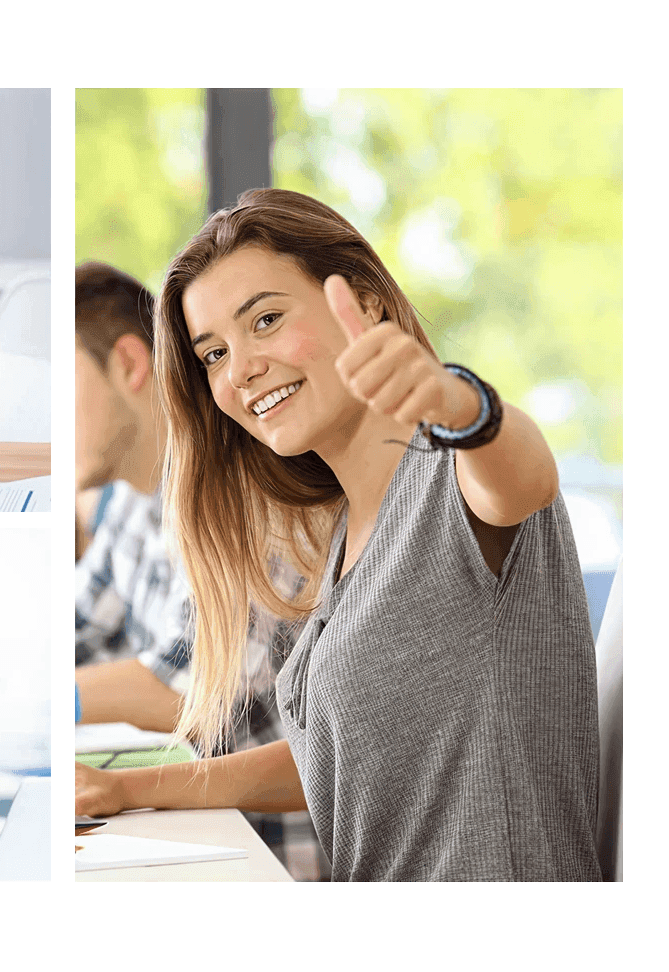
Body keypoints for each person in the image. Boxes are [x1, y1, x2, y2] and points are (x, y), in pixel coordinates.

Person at [75, 189, 601, 882]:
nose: (240, 370)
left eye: (266, 319)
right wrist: (129, 790)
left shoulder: (452, 475)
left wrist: (460, 402)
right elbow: (327, 759)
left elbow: (525, 475)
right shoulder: (345, 532)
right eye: (213, 354)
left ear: (366, 302)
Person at [74, 262, 300, 857]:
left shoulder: (249, 496)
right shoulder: (129, 502)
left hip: (261, 853)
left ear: (127, 365)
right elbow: (75, 635)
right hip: (186, 830)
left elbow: (192, 692)